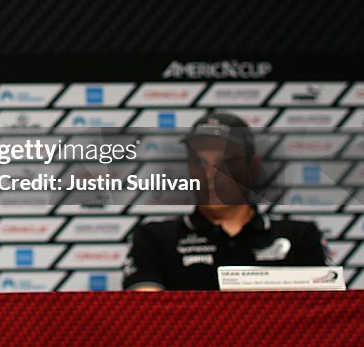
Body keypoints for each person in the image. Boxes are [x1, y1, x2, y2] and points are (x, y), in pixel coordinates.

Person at [123, 112, 331, 291]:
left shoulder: (301, 237)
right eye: (200, 162)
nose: (210, 174)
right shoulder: (155, 239)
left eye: (225, 162)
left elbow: (326, 315)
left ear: (253, 167)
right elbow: (147, 316)